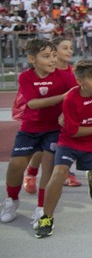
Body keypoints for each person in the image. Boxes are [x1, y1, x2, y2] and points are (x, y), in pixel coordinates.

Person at [34, 60, 92, 238]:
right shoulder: (70, 99)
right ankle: (46, 218)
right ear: (80, 82)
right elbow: (74, 131)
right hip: (70, 142)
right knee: (59, 173)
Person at [1, 39, 77, 224]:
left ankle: (41, 207)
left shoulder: (65, 77)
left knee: (48, 167)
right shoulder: (25, 77)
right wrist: (62, 97)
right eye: (46, 57)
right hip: (30, 128)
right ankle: (12, 200)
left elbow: (76, 97)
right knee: (16, 165)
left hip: (53, 130)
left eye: (53, 56)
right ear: (31, 59)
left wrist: (67, 114)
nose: (52, 60)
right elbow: (33, 103)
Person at [23, 36, 80, 194]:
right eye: (64, 48)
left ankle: (65, 171)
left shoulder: (71, 71)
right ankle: (31, 173)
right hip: (44, 117)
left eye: (70, 47)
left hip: (64, 116)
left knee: (67, 144)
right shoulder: (44, 71)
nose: (69, 51)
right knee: (40, 151)